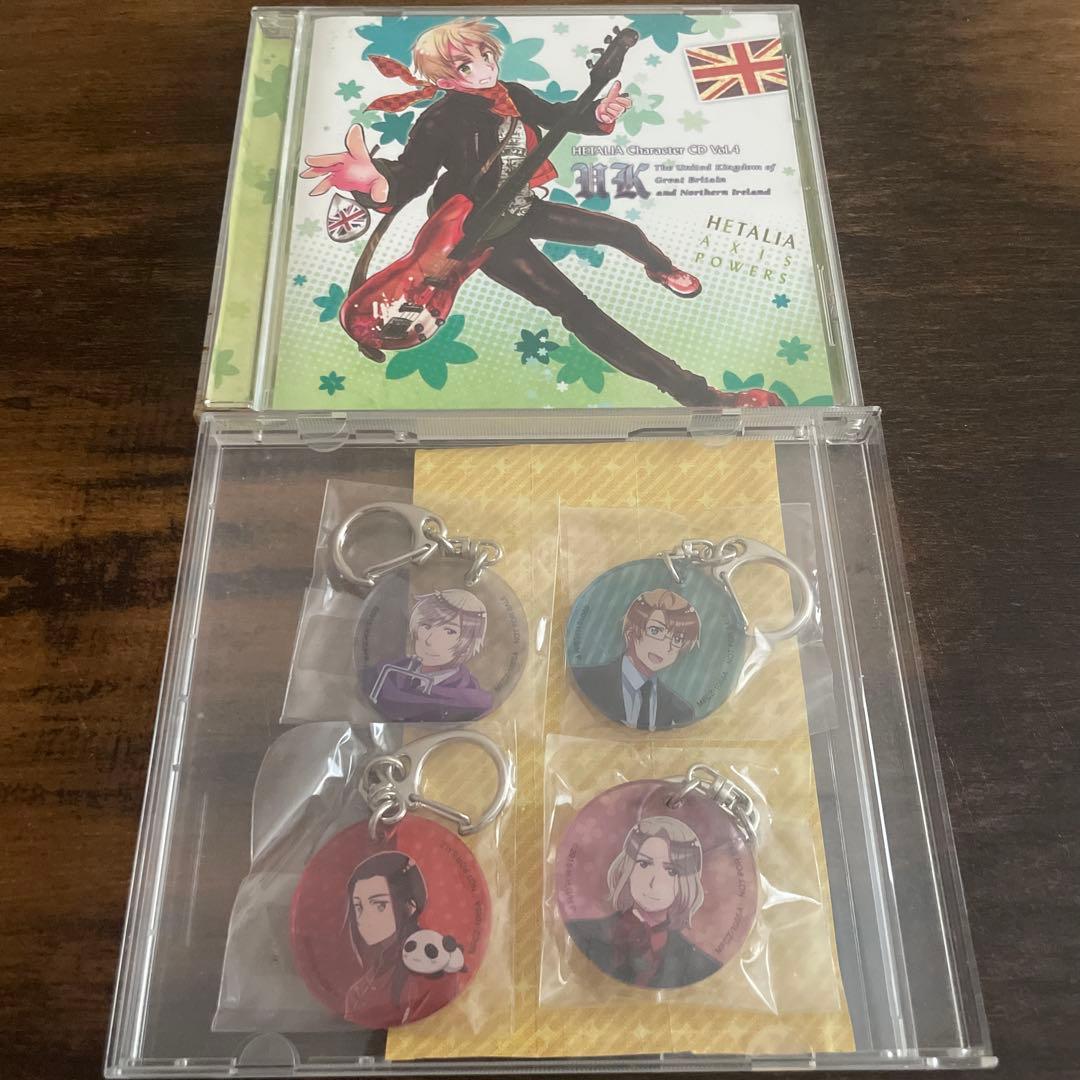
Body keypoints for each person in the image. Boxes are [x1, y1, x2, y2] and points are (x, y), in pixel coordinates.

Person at [300, 18, 783, 408]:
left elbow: (557, 116)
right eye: (468, 65)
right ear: (446, 80)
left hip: (521, 206)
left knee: (622, 231)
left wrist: (598, 115)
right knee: (577, 309)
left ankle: (660, 267)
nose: (485, 67)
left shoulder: (511, 94)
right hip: (476, 231)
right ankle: (697, 395)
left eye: (485, 55)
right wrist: (376, 181)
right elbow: (414, 173)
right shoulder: (440, 118)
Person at [566, 816, 720, 989]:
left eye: (671, 871)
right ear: (628, 868)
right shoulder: (578, 933)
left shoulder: (702, 966)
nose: (654, 881)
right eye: (644, 864)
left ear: (687, 883)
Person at [342, 851, 459, 1027]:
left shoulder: (435, 970)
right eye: (358, 907)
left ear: (410, 906)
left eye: (379, 905)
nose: (363, 918)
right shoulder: (358, 992)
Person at [572, 589, 699, 730]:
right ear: (630, 631)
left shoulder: (681, 712)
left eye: (677, 639)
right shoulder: (584, 680)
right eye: (655, 631)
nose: (666, 647)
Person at [364, 589, 493, 723]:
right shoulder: (383, 673)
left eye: (449, 631)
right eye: (426, 625)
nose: (429, 640)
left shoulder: (470, 699)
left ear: (468, 642)